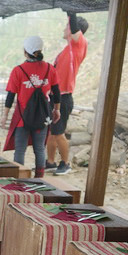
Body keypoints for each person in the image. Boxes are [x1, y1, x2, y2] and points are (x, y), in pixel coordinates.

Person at [0, 36, 61, 178]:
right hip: (43, 117)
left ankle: (18, 179)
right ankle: (39, 179)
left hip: (22, 118)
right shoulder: (50, 69)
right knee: (39, 149)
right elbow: (56, 92)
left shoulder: (18, 70)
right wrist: (56, 110)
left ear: (25, 51)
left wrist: (5, 115)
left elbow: (10, 96)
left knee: (20, 150)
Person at [46, 12, 89, 175]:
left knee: (58, 133)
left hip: (63, 98)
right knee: (52, 132)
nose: (64, 28)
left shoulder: (79, 45)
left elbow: (75, 27)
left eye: (67, 26)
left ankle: (66, 164)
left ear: (73, 29)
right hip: (54, 96)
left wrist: (71, 11)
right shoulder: (67, 49)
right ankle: (50, 162)